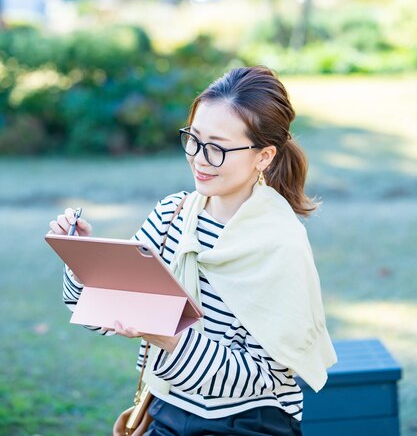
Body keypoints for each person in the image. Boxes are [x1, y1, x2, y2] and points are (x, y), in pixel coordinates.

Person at [49, 65, 337, 436]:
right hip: (166, 410)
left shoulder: (280, 243)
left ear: (263, 156)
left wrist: (172, 340)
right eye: (194, 139)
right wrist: (83, 260)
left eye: (217, 148)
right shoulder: (173, 214)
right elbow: (98, 310)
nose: (200, 158)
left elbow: (265, 377)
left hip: (248, 421)